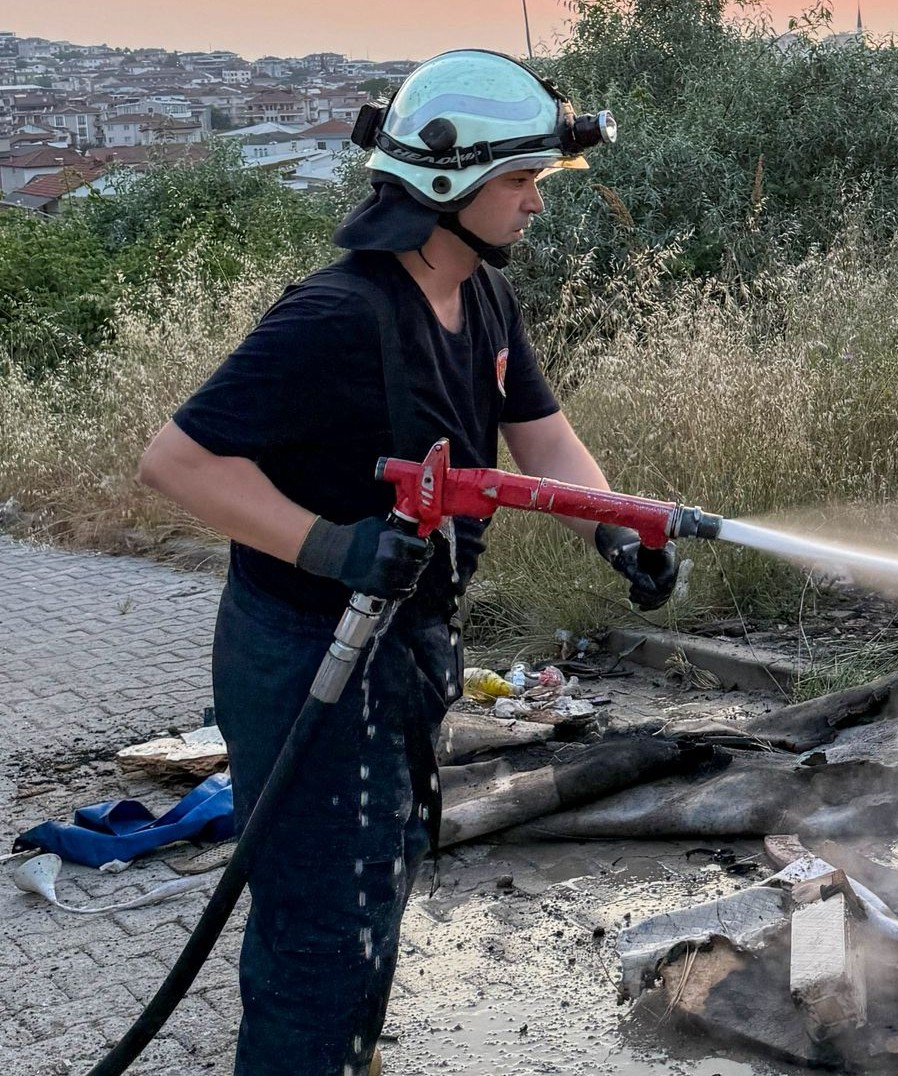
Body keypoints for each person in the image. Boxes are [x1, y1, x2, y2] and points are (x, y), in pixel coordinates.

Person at [137, 49, 676, 1075]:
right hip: (306, 655)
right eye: (522, 182)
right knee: (316, 939)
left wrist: (616, 528)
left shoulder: (483, 301)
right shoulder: (336, 316)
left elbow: (544, 444)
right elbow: (178, 461)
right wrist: (330, 544)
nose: (536, 205)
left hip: (402, 648)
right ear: (447, 183)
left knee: (369, 901)